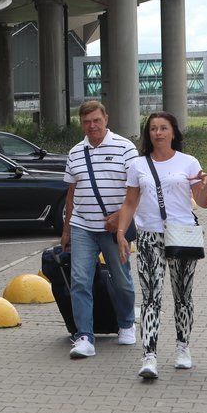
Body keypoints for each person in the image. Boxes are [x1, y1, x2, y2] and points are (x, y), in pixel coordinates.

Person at [116, 112, 207, 379]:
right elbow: (130, 202)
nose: (158, 133)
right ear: (148, 134)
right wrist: (122, 232)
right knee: (150, 298)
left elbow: (203, 202)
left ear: (173, 132)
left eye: (163, 128)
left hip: (181, 235)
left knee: (183, 296)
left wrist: (203, 185)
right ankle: (149, 356)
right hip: (149, 236)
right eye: (153, 128)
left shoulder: (188, 162)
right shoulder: (138, 165)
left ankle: (183, 348)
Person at [60, 100, 138, 358]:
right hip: (83, 226)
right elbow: (71, 192)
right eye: (86, 122)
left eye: (96, 120)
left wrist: (120, 217)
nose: (92, 126)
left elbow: (136, 190)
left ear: (106, 118)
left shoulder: (125, 148)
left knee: (121, 280)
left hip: (115, 229)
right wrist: (67, 229)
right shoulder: (75, 153)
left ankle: (126, 323)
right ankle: (84, 337)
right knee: (79, 281)